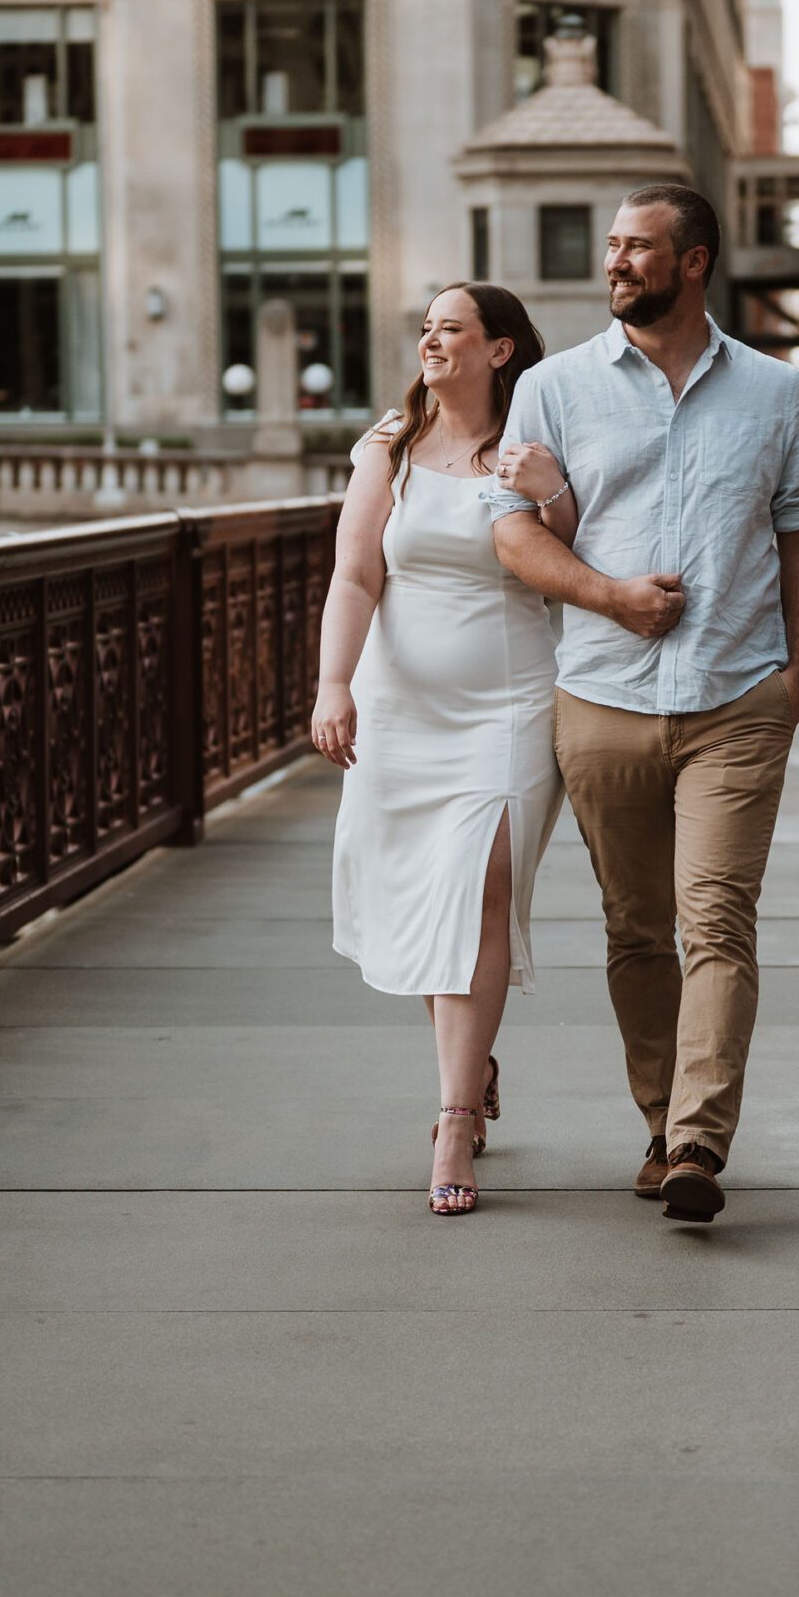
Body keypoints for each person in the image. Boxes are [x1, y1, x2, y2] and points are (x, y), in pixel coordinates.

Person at [487, 183, 799, 1224]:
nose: (616, 263)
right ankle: (656, 1117)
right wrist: (606, 596)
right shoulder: (551, 388)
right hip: (600, 698)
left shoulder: (776, 393)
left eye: (638, 248)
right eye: (611, 246)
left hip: (736, 697)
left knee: (715, 920)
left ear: (693, 262)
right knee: (636, 929)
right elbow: (512, 532)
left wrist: (797, 678)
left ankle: (696, 1138)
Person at [313, 285, 571, 1217]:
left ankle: (453, 1116)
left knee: (481, 891)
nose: (429, 339)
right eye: (424, 328)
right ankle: (476, 1058)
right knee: (428, 902)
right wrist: (332, 685)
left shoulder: (533, 448)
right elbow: (353, 574)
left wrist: (556, 495)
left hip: (508, 702)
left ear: (499, 350)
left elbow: (578, 563)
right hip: (401, 706)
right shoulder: (388, 447)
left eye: (449, 327)